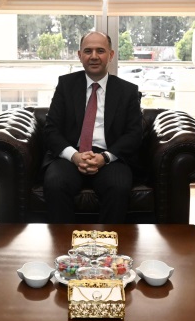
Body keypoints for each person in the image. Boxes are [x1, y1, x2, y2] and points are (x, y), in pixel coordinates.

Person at [42, 32, 143, 223]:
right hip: (70, 156)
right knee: (55, 183)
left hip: (111, 158)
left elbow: (134, 134)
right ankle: (64, 241)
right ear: (80, 55)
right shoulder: (65, 85)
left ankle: (108, 242)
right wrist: (74, 156)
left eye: (100, 51)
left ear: (111, 55)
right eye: (88, 51)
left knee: (118, 186)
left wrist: (105, 157)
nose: (94, 56)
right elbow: (51, 129)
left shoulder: (127, 91)